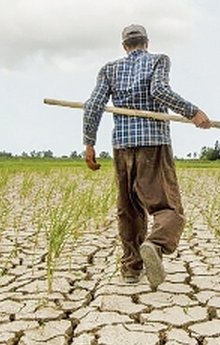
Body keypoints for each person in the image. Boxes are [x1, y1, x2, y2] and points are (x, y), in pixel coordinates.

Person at [83, 24, 211, 288]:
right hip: (153, 143)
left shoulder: (109, 69)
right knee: (167, 206)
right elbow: (159, 91)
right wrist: (192, 111)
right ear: (146, 42)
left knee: (129, 208)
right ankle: (155, 244)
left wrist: (89, 144)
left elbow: (94, 104)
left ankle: (131, 268)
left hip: (122, 147)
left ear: (124, 46)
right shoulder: (159, 60)